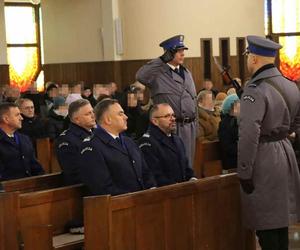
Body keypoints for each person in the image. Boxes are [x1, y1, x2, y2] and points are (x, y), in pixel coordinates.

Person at [238, 35, 300, 250]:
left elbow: (248, 134)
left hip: (264, 157)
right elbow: (297, 121)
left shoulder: (255, 89)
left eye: (247, 56)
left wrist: (244, 171)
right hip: (285, 151)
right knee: (280, 223)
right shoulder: (290, 85)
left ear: (254, 59)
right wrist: (282, 133)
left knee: (266, 224)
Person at [136, 35, 197, 166]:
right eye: (178, 51)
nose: (182, 54)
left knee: (188, 165)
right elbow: (140, 75)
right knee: (173, 166)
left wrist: (195, 125)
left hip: (189, 127)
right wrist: (161, 60)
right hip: (172, 127)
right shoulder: (157, 74)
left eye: (183, 51)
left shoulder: (186, 73)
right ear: (169, 53)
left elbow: (193, 100)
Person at [79, 99, 156, 195]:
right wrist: (133, 198)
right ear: (108, 120)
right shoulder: (92, 146)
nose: (126, 117)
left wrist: (151, 189)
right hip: (119, 205)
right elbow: (103, 187)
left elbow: (145, 172)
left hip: (141, 201)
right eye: (120, 114)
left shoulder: (129, 142)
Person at [138, 103, 196, 186]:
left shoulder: (177, 139)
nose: (173, 119)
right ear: (155, 121)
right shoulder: (147, 142)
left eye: (173, 115)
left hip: (182, 190)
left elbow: (186, 167)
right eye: (167, 116)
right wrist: (177, 187)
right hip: (166, 192)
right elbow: (155, 175)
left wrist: (192, 178)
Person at [0, 103, 44, 181]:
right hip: (8, 189)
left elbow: (35, 165)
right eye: (17, 115)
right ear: (6, 119)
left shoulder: (24, 139)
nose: (21, 118)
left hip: (29, 186)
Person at [55, 99, 95, 185]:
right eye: (88, 114)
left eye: (92, 112)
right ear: (77, 120)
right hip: (82, 189)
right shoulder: (67, 140)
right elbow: (74, 173)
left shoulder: (96, 133)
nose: (93, 116)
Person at [218, 94, 240, 171]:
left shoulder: (241, 121)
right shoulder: (225, 123)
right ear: (232, 107)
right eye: (239, 103)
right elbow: (227, 146)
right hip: (232, 162)